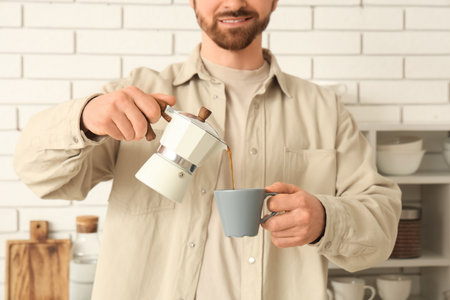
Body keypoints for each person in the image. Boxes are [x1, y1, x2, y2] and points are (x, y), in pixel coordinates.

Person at [14, 0, 401, 299]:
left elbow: (381, 228)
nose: (234, 3)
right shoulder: (135, 92)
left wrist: (325, 219)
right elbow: (36, 173)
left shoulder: (324, 109)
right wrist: (85, 117)